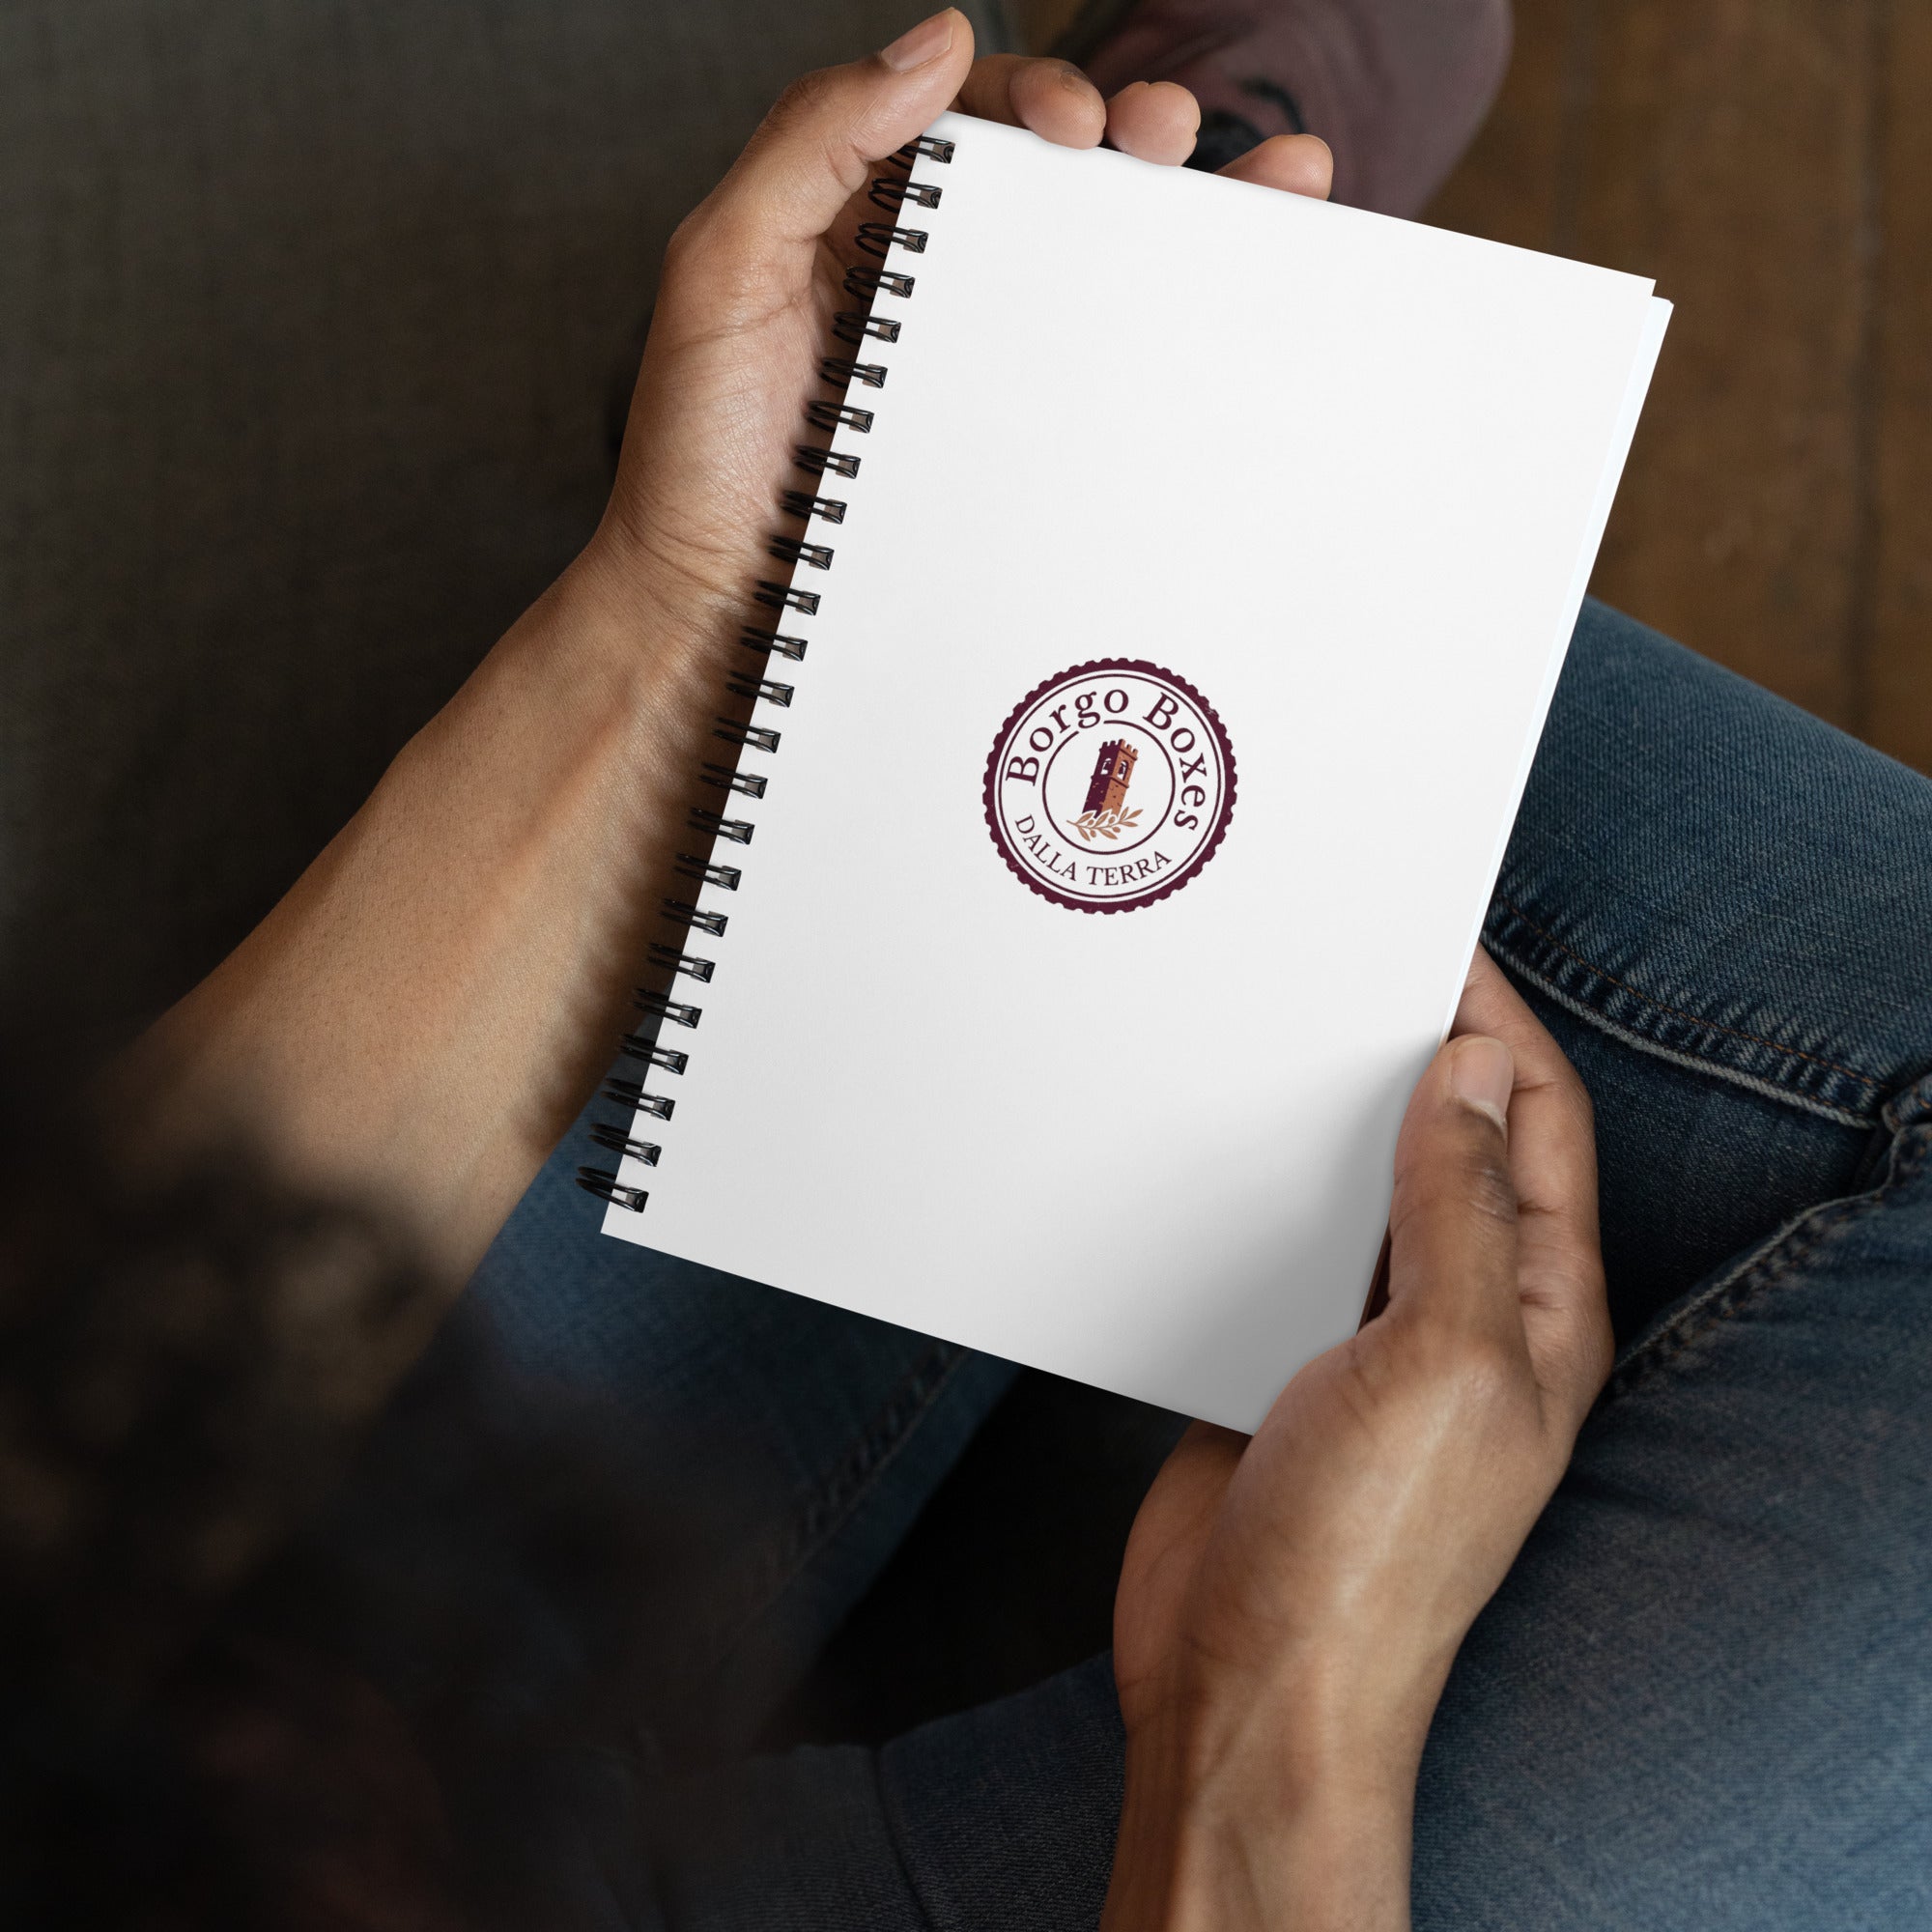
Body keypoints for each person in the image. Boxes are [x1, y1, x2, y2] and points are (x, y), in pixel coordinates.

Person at [4, 11, 1930, 1929]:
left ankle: (976, 436)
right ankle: (1097, 383)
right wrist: (1266, 1739)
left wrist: (667, 627)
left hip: (176, 1731)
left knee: (924, 714)